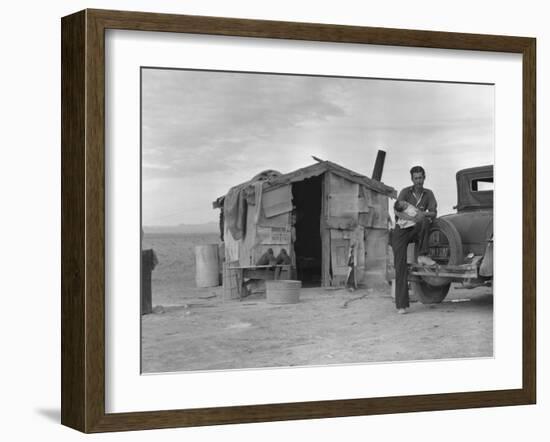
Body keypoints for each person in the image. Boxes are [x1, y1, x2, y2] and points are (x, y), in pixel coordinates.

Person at [392, 166, 438, 314]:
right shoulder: (405, 192)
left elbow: (433, 213)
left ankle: (422, 255)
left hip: (416, 230)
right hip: (401, 232)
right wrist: (413, 217)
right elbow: (397, 211)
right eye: (416, 178)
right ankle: (402, 305)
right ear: (412, 179)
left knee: (424, 220)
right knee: (400, 266)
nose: (418, 181)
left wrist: (421, 214)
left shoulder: (428, 194)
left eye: (421, 177)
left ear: (424, 178)